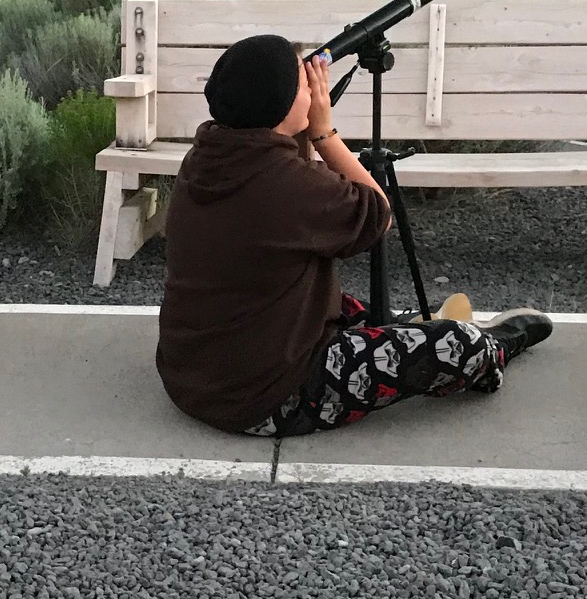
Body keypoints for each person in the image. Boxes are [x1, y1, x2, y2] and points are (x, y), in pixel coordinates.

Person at [157, 32, 551, 437]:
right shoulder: (287, 183)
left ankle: (407, 327)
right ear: (282, 102)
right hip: (266, 398)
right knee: (455, 343)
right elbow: (378, 214)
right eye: (302, 79)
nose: (314, 85)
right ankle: (491, 348)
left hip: (192, 374)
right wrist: (324, 134)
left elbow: (287, 207)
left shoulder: (208, 155)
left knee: (331, 298)